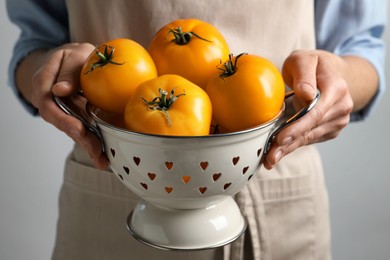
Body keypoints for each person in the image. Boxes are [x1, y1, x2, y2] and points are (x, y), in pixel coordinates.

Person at [6, 0, 386, 259]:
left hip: (280, 200)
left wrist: (338, 80)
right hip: (111, 191)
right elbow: (35, 45)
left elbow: (361, 48)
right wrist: (52, 73)